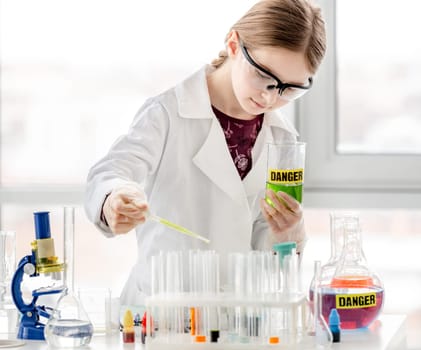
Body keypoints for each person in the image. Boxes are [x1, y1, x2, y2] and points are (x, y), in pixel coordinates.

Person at [84, 0, 326, 306]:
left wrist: (289, 234)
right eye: (264, 77)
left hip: (238, 320)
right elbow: (110, 173)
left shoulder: (283, 139)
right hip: (165, 315)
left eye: (288, 89)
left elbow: (269, 260)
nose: (270, 96)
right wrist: (114, 199)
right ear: (234, 44)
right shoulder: (167, 114)